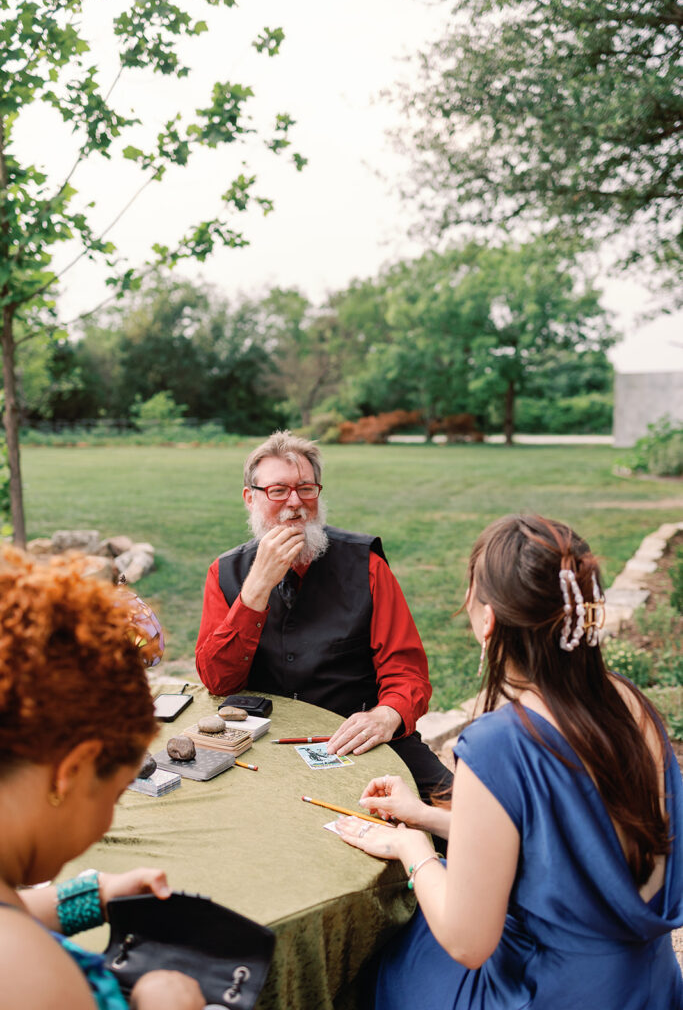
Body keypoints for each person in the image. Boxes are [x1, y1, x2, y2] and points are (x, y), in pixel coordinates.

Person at [335, 513, 683, 1010]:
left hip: (546, 991)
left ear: (489, 619)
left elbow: (468, 942)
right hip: (647, 985)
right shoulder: (630, 705)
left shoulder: (499, 743)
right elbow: (570, 845)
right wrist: (429, 817)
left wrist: (413, 847)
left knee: (378, 966)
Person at [0, 547, 205, 1010]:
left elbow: (13, 909)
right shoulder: (32, 978)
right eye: (114, 792)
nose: (108, 820)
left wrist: (93, 896)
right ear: (71, 772)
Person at [195, 430, 451, 800]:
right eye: (278, 490)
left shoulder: (366, 564)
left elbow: (406, 671)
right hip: (266, 741)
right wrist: (255, 591)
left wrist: (388, 715)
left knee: (458, 816)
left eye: (306, 488)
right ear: (250, 499)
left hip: (362, 735)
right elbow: (218, 681)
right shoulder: (225, 573)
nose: (295, 503)